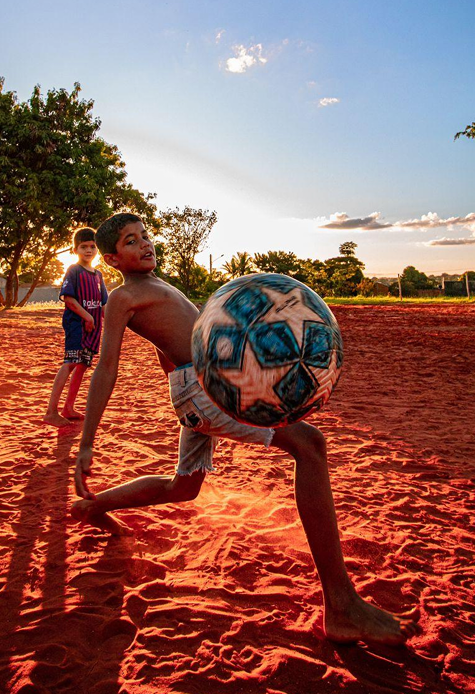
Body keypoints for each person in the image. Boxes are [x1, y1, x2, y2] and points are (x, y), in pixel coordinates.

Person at [72, 213, 420, 646]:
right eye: (130, 241)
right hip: (203, 389)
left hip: (199, 385)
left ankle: (92, 507)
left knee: (183, 488)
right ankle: (342, 606)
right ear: (111, 257)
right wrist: (86, 443)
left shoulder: (156, 286)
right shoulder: (122, 298)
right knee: (309, 445)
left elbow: (180, 340)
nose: (145, 244)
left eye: (145, 236)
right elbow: (106, 367)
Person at [43, 227, 108, 427]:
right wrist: (87, 316)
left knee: (83, 365)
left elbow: (104, 303)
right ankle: (51, 412)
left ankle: (68, 408)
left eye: (92, 247)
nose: (88, 250)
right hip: (77, 325)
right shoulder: (74, 270)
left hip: (94, 329)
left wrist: (111, 324)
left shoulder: (98, 275)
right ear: (75, 249)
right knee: (70, 363)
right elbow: (69, 300)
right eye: (83, 247)